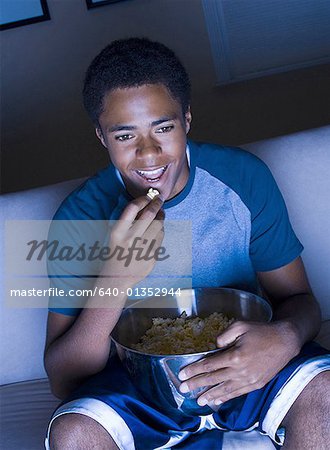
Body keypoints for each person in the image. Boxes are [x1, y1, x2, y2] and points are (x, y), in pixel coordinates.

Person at [44, 38, 329, 450]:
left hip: (245, 368)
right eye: (126, 136)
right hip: (142, 388)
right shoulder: (77, 218)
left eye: (163, 128)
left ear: (187, 120)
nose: (148, 154)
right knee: (73, 435)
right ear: (101, 136)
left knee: (326, 389)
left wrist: (285, 336)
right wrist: (118, 278)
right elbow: (63, 379)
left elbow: (300, 299)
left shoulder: (243, 178)